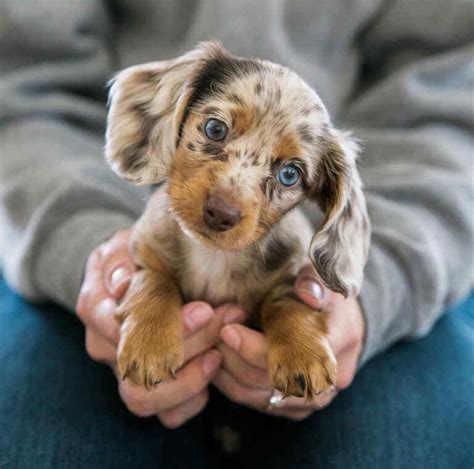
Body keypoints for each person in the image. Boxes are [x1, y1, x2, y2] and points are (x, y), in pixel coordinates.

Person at [0, 1, 472, 467]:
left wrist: (344, 303)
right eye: (216, 128)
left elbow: (453, 104)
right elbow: (26, 86)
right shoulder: (157, 226)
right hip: (79, 218)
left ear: (323, 196)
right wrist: (108, 265)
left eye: (288, 174)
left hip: (407, 228)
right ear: (178, 110)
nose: (228, 201)